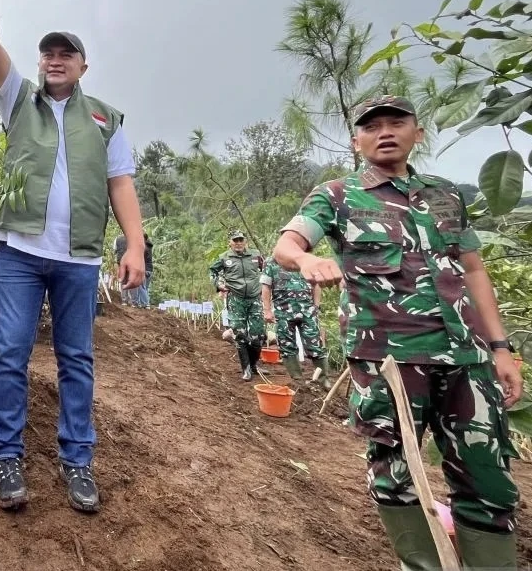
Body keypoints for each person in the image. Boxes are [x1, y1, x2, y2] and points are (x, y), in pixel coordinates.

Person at [273, 95, 521, 569]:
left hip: (467, 358)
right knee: (396, 475)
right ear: (356, 141)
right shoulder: (338, 195)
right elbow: (288, 243)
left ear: (417, 133)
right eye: (372, 126)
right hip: (389, 360)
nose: (385, 131)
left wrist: (501, 347)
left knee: (488, 479)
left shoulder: (447, 194)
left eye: (396, 122)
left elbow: (472, 269)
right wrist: (307, 259)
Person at [0, 0, 145, 514]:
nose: (55, 60)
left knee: (76, 360)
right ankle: (6, 455)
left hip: (80, 260)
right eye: (48, 53)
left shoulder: (105, 119)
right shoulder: (18, 102)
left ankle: (77, 461)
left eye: (67, 54)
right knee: (9, 353)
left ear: (83, 65)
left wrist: (134, 244)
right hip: (19, 254)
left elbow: (121, 185)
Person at [260, 259, 331, 388]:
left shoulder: (307, 260)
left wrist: (316, 305)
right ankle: (298, 381)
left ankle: (323, 380)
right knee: (287, 347)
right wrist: (267, 310)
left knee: (315, 345)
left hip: (307, 311)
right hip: (283, 312)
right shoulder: (272, 262)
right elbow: (266, 287)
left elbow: (316, 285)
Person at [209, 231, 265, 381]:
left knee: (258, 335)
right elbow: (212, 272)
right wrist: (219, 284)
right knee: (239, 334)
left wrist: (266, 288)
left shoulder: (255, 255)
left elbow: (266, 270)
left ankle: (254, 365)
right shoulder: (224, 258)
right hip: (236, 299)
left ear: (245, 241)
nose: (238, 243)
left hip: (255, 299)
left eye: (241, 240)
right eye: (235, 240)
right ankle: (246, 369)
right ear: (230, 243)